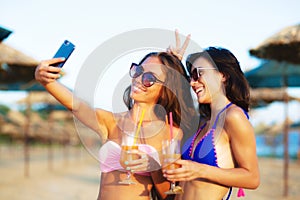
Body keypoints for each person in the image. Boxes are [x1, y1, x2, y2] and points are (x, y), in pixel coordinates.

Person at [34, 42, 198, 199]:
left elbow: (167, 194)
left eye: (149, 78)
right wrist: (45, 80)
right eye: (138, 70)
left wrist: (154, 167)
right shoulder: (110, 121)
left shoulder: (171, 133)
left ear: (165, 89)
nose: (139, 79)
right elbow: (76, 106)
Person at [163, 47, 260, 200]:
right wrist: (173, 65)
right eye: (191, 77)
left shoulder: (234, 117)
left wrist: (200, 170)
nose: (193, 83)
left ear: (223, 75)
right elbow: (174, 103)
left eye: (199, 74)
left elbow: (252, 178)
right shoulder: (202, 121)